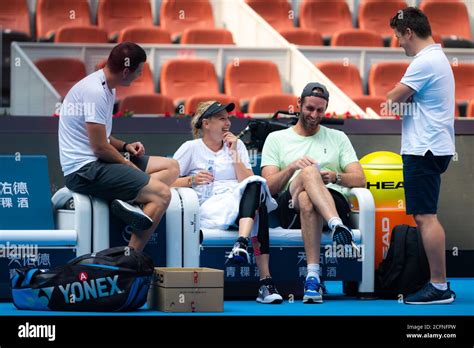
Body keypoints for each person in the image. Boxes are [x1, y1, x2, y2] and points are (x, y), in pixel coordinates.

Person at [58, 42, 179, 252]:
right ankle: (130, 258)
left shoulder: (107, 87)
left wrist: (125, 146)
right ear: (125, 71)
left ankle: (129, 200)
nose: (140, 75)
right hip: (85, 171)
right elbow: (99, 148)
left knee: (172, 167)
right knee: (162, 194)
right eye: (139, 71)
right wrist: (126, 164)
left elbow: (102, 137)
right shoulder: (95, 91)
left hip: (100, 163)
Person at [261, 83, 366, 303]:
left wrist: (335, 177)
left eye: (320, 110)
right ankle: (337, 226)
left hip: (330, 199)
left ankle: (312, 278)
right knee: (308, 172)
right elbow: (269, 187)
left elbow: (360, 179)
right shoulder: (276, 139)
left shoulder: (338, 137)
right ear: (298, 104)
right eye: (309, 108)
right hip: (290, 209)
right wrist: (291, 168)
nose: (314, 114)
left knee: (308, 199)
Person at [172, 101, 283, 304]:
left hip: (241, 207)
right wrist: (191, 180)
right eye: (222, 118)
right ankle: (265, 282)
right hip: (210, 208)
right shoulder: (190, 148)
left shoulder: (237, 145)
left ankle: (241, 243)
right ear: (206, 123)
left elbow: (247, 181)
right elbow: (164, 181)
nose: (228, 123)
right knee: (258, 206)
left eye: (228, 118)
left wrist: (234, 154)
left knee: (255, 185)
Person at [387, 7, 456, 304]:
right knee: (424, 215)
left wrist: (399, 98)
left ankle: (439, 286)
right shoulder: (435, 59)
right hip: (432, 147)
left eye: (398, 36)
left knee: (426, 217)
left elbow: (391, 101)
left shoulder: (424, 62)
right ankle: (437, 282)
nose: (398, 42)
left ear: (409, 33)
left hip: (424, 148)